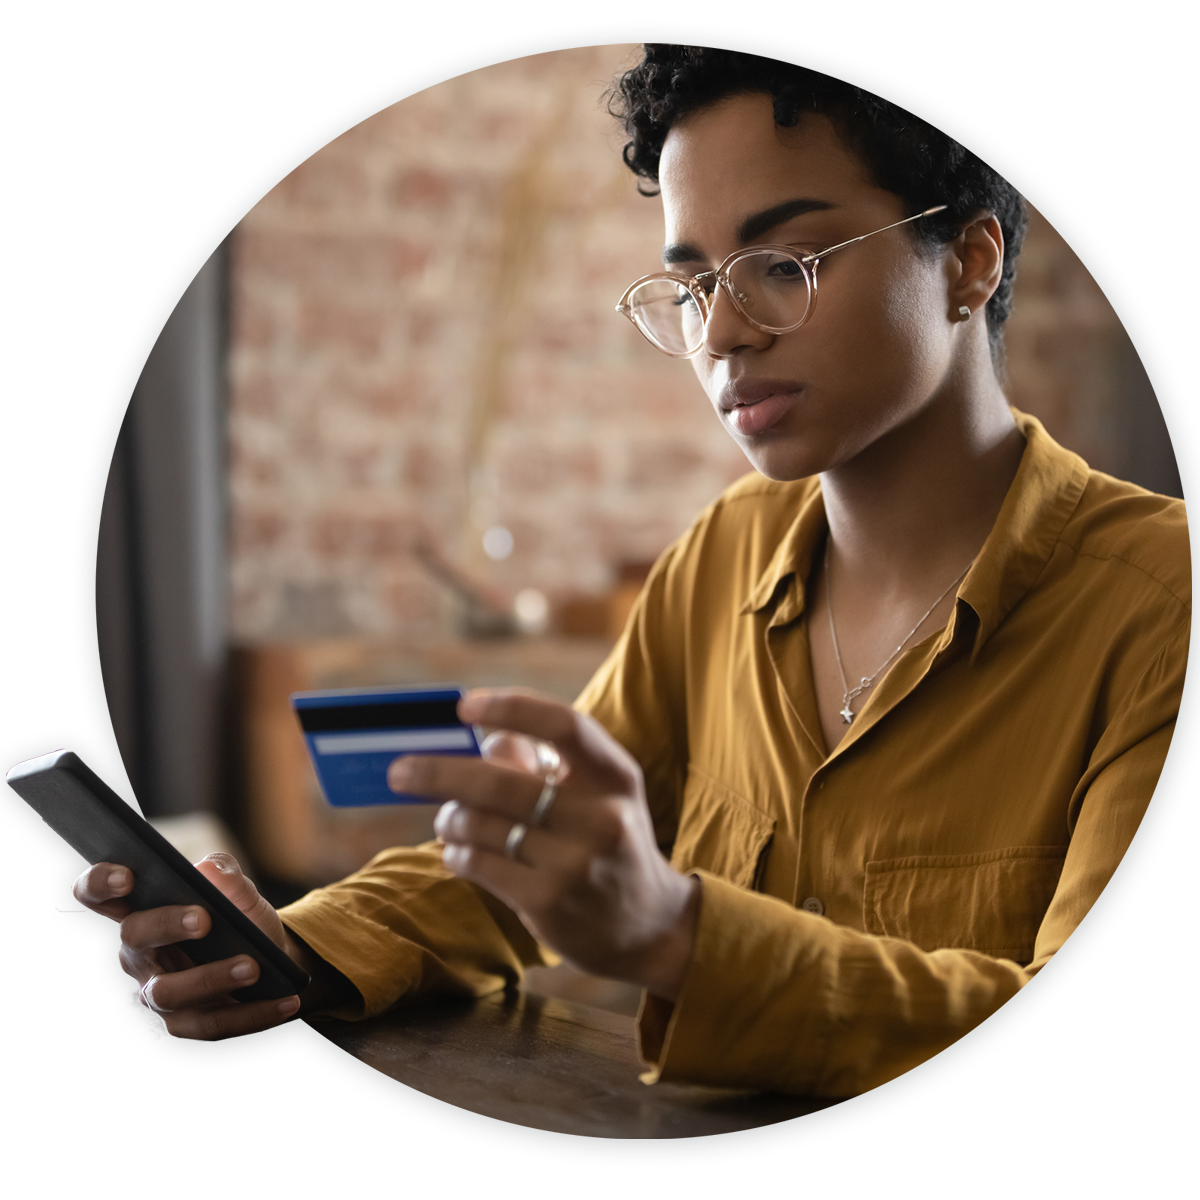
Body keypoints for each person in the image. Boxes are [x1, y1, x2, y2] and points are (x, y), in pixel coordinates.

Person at [73, 46, 1188, 1097]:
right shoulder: (722, 558)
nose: (723, 336)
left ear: (969, 261)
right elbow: (529, 859)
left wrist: (678, 934)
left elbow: (1105, 1048)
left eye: (783, 265)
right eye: (695, 283)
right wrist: (295, 947)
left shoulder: (1159, 605)